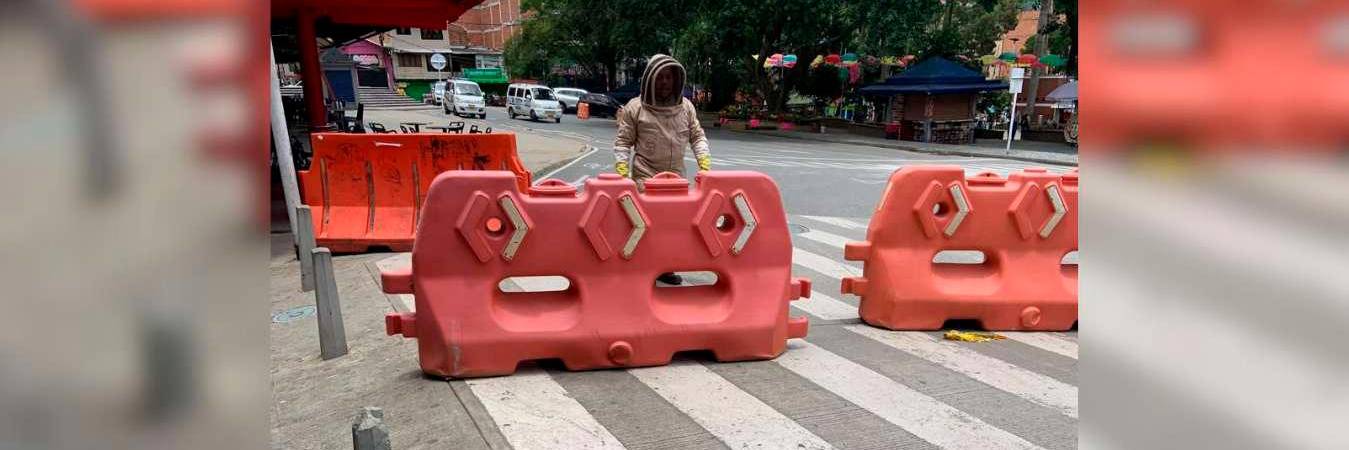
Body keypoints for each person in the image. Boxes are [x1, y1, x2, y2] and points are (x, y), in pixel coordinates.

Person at [612, 54, 711, 285]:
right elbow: (623, 142)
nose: (665, 82)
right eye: (660, 77)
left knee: (674, 228)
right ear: (650, 79)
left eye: (669, 77)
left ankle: (666, 268)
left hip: (676, 179)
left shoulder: (686, 108)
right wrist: (621, 172)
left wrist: (705, 163)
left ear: (676, 81)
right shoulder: (635, 108)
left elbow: (697, 137)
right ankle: (642, 268)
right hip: (645, 177)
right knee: (645, 226)